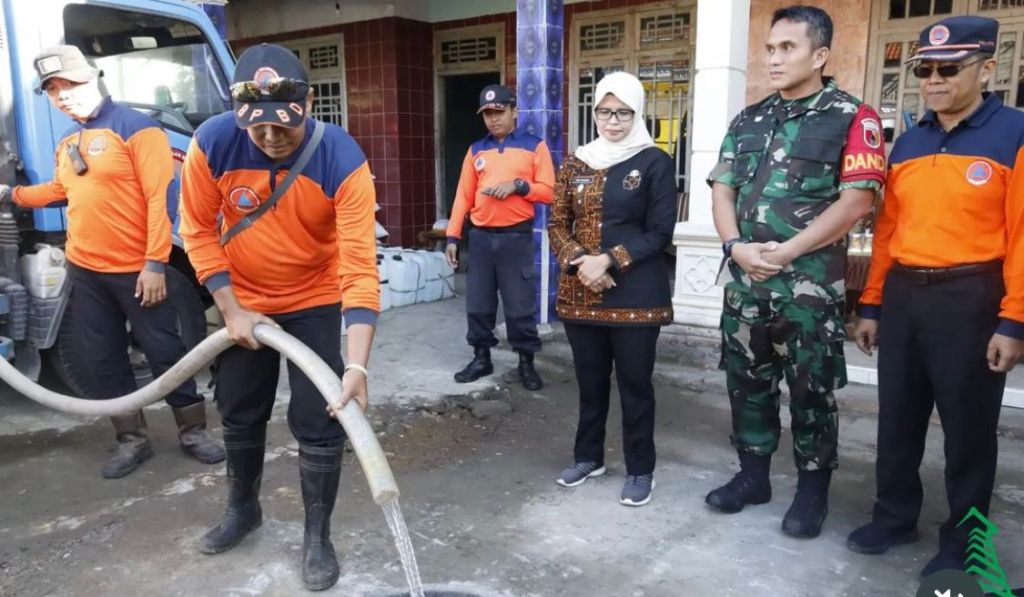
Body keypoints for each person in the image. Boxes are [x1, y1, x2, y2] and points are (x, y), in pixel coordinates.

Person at [179, 43, 380, 591]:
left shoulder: (341, 157)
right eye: (257, 127)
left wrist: (357, 367)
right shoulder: (213, 143)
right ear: (237, 113)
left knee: (321, 418)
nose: (270, 138)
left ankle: (318, 536)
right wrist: (230, 307)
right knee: (240, 410)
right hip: (243, 303)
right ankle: (244, 509)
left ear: (308, 104)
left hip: (313, 299)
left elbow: (359, 266)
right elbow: (196, 230)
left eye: (283, 126)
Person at [846, 16, 1024, 578]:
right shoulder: (910, 141)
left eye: (950, 68)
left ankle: (966, 545)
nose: (934, 80)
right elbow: (887, 233)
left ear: (987, 69)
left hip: (972, 299)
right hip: (904, 296)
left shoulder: (1014, 134)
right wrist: (871, 303)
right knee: (897, 418)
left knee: (969, 431)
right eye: (925, 69)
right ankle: (895, 515)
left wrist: (1014, 320)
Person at [706, 6, 886, 538]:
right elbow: (722, 188)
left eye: (788, 48)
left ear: (820, 54)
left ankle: (811, 494)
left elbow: (856, 203)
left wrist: (783, 255)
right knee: (746, 382)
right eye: (770, 48)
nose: (774, 58)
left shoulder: (853, 117)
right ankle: (752, 477)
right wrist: (735, 246)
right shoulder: (749, 119)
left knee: (811, 390)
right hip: (745, 281)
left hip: (806, 289)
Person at [6, 45, 224, 479]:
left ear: (92, 78)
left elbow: (159, 200)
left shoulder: (138, 130)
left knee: (165, 350)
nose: (62, 96)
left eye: (68, 84)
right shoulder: (69, 140)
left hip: (136, 271)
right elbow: (62, 190)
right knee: (103, 356)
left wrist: (155, 264)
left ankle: (193, 432)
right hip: (85, 273)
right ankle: (132, 439)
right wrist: (11, 195)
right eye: (52, 90)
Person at [548, 72, 676, 507]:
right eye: (605, 111)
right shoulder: (576, 161)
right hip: (581, 291)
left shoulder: (655, 161)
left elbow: (660, 231)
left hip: (636, 293)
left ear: (637, 113)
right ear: (595, 112)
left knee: (636, 387)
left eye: (623, 112)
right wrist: (583, 263)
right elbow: (556, 223)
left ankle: (641, 469)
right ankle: (589, 458)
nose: (613, 121)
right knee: (590, 383)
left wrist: (609, 260)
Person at [445, 84, 555, 391]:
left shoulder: (535, 146)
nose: (494, 120)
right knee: (478, 304)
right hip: (480, 238)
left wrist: (519, 186)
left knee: (519, 305)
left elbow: (549, 191)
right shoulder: (476, 150)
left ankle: (526, 363)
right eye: (488, 114)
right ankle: (482, 358)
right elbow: (463, 196)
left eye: (500, 112)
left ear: (514, 111)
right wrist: (453, 236)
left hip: (515, 238)